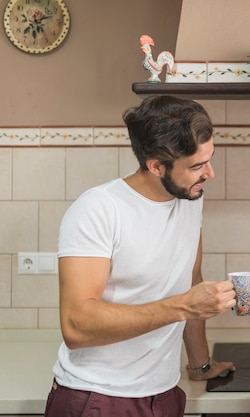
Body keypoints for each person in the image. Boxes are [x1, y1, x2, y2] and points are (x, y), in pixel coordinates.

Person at [44, 95, 237, 417]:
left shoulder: (190, 198)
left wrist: (200, 364)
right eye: (197, 166)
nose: (210, 173)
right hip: (97, 397)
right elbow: (77, 326)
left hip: (163, 395)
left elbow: (190, 279)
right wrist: (185, 305)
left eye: (209, 158)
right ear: (156, 165)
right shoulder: (98, 209)